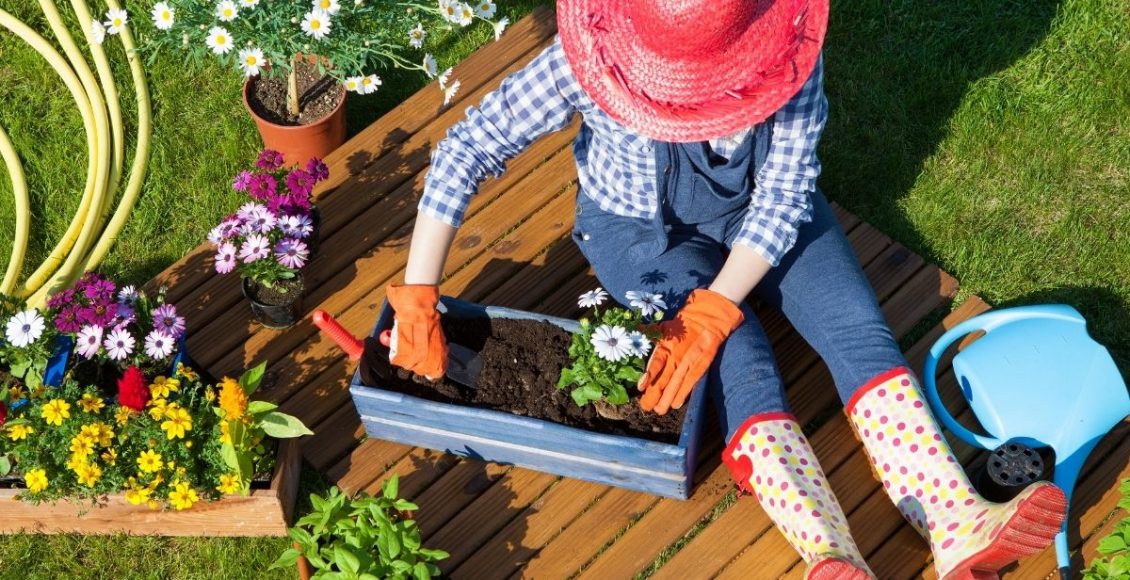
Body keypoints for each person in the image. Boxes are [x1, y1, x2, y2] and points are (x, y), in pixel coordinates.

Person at [384, 1, 1067, 578]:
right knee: (740, 358)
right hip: (639, 237)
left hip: (766, 215)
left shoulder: (785, 53)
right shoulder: (592, 57)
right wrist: (420, 287)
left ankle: (956, 519)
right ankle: (831, 554)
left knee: (856, 327)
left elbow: (786, 192)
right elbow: (470, 146)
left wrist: (716, 304)